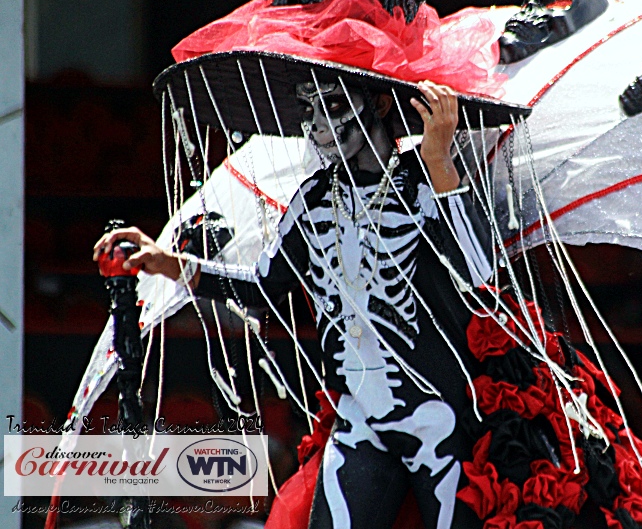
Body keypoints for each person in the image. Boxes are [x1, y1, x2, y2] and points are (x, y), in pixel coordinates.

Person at [94, 80, 493, 529]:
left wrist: (440, 162)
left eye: (335, 104)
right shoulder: (314, 199)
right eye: (309, 108)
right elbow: (263, 288)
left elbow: (478, 273)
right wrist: (168, 263)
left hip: (437, 415)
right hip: (360, 417)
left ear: (380, 104)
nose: (319, 124)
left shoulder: (423, 182)